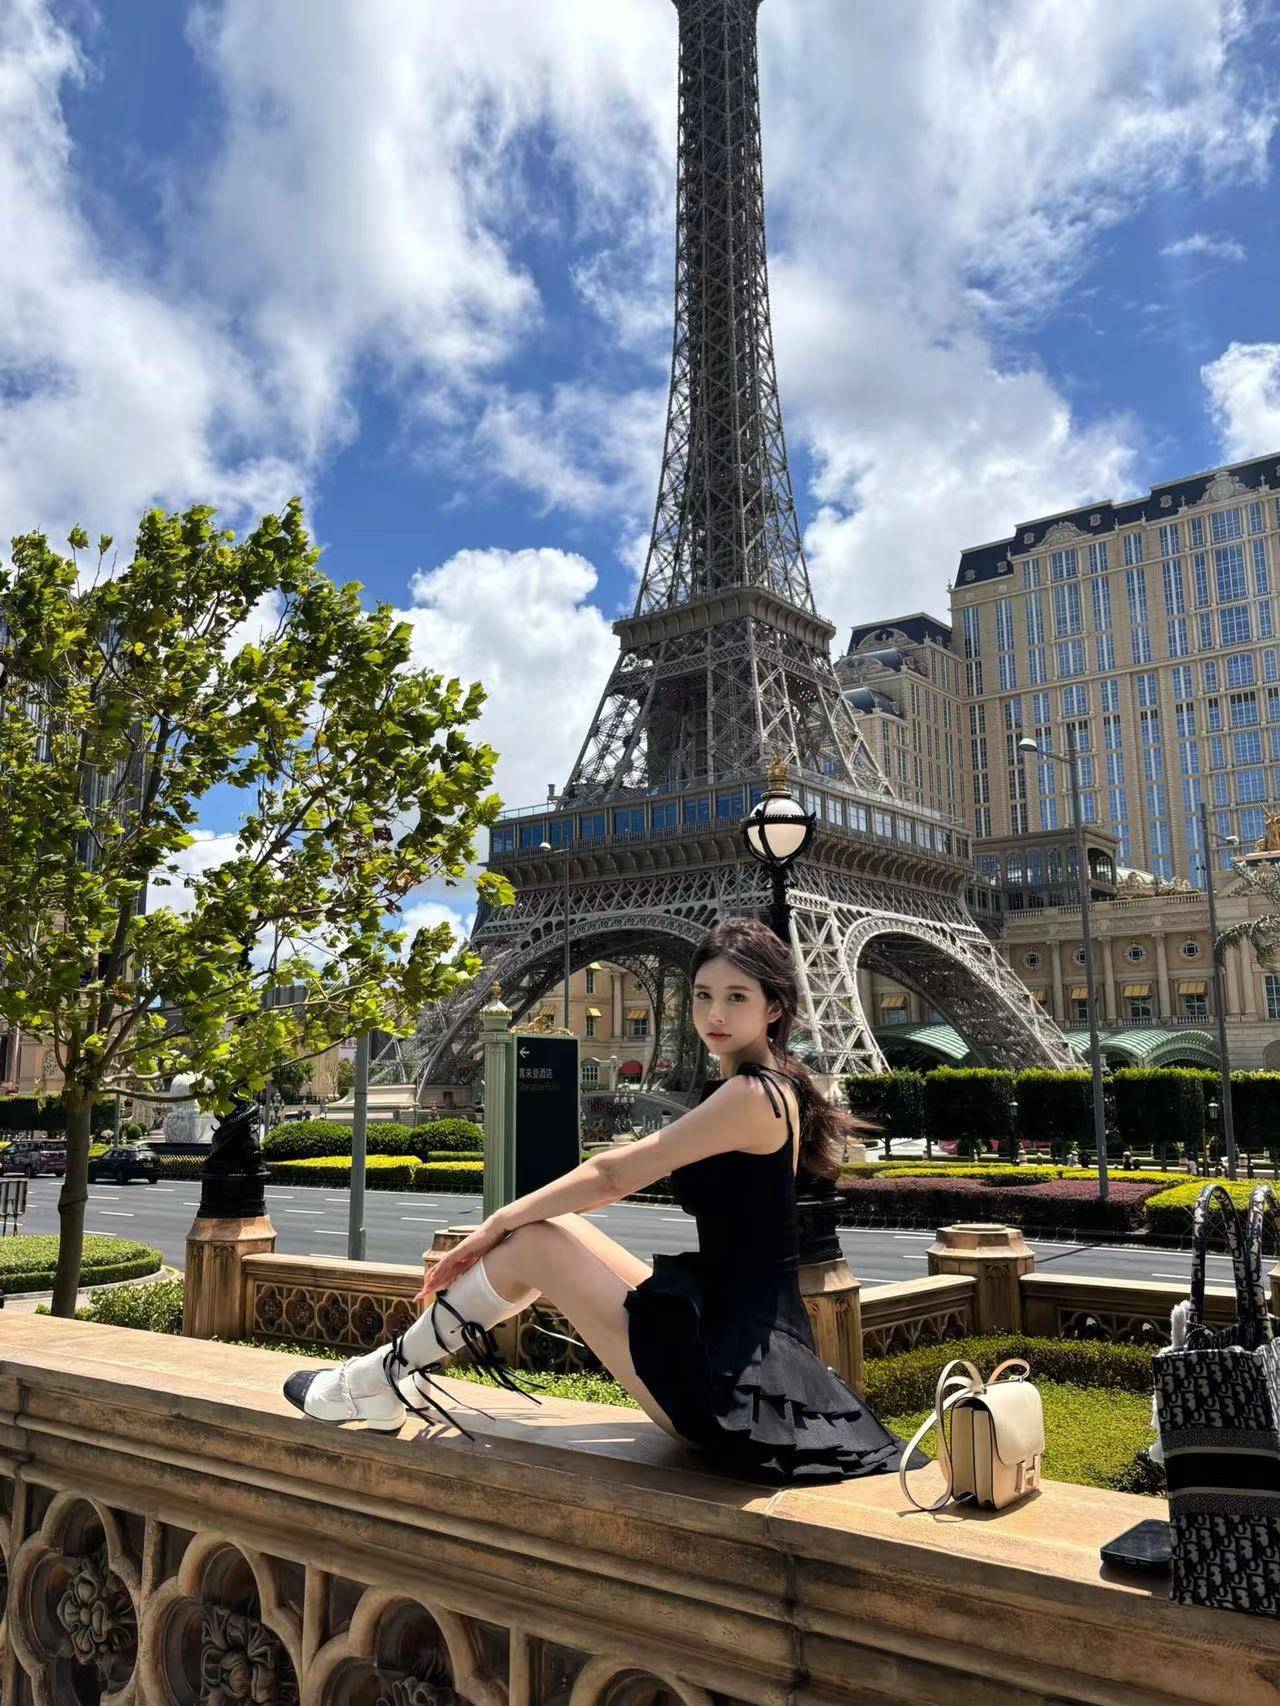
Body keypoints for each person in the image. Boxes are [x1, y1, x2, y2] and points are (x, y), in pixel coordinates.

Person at [284, 916, 916, 1485]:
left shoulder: (750, 1095)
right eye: (702, 995)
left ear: (774, 1007)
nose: (714, 1013)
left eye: (736, 997)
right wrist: (509, 1223)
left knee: (532, 1240)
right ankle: (385, 1378)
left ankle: (373, 1381)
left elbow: (614, 1174)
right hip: (742, 1336)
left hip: (727, 1381)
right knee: (549, 1229)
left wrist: (494, 1223)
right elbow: (609, 1184)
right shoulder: (775, 1085)